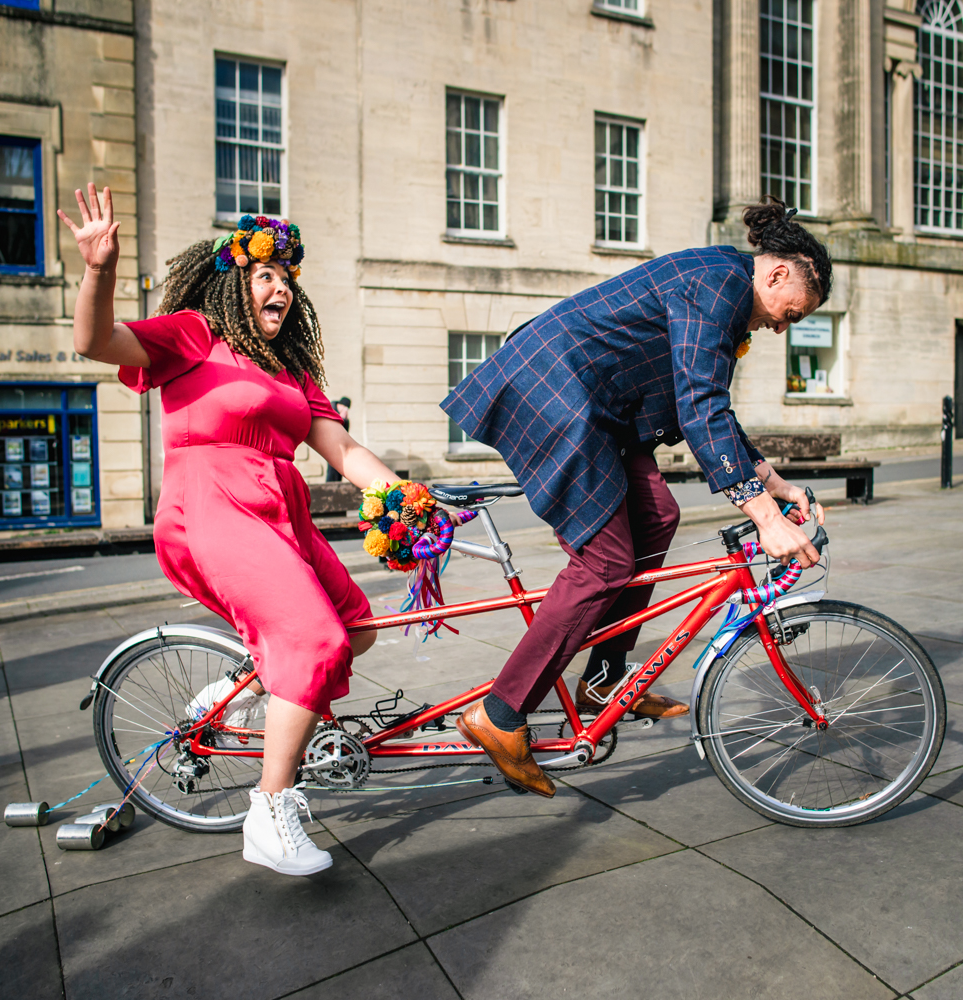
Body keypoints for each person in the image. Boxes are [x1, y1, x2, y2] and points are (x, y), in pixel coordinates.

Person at [59, 184, 407, 876]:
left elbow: (340, 449)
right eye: (265, 274)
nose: (280, 287)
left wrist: (403, 496)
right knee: (312, 639)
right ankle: (269, 809)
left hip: (282, 510)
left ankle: (232, 692)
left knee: (356, 627)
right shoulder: (196, 335)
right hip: (212, 505)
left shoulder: (292, 370)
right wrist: (99, 270)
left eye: (287, 277)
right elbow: (95, 341)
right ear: (233, 285)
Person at [441, 196, 830, 797]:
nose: (781, 327)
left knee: (658, 515)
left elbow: (705, 405)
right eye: (791, 313)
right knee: (604, 562)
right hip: (556, 392)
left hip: (598, 408)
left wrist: (779, 489)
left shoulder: (720, 286)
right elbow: (701, 406)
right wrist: (762, 515)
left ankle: (606, 678)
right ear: (776, 274)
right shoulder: (720, 285)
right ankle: (499, 714)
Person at [325, 396, 351, 481]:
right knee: (332, 468)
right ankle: (330, 485)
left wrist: (345, 420)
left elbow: (345, 432)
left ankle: (336, 483)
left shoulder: (342, 415)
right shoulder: (330, 410)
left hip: (339, 446)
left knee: (339, 468)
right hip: (331, 445)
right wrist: (341, 419)